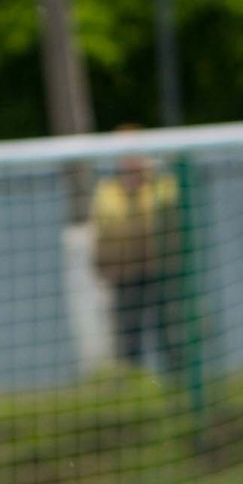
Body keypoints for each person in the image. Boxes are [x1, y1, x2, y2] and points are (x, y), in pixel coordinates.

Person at [90, 135, 183, 375]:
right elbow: (103, 228)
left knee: (170, 328)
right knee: (129, 332)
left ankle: (177, 377)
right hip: (125, 271)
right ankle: (132, 382)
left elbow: (170, 210)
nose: (132, 167)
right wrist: (102, 263)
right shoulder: (108, 192)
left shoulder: (161, 187)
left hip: (160, 269)